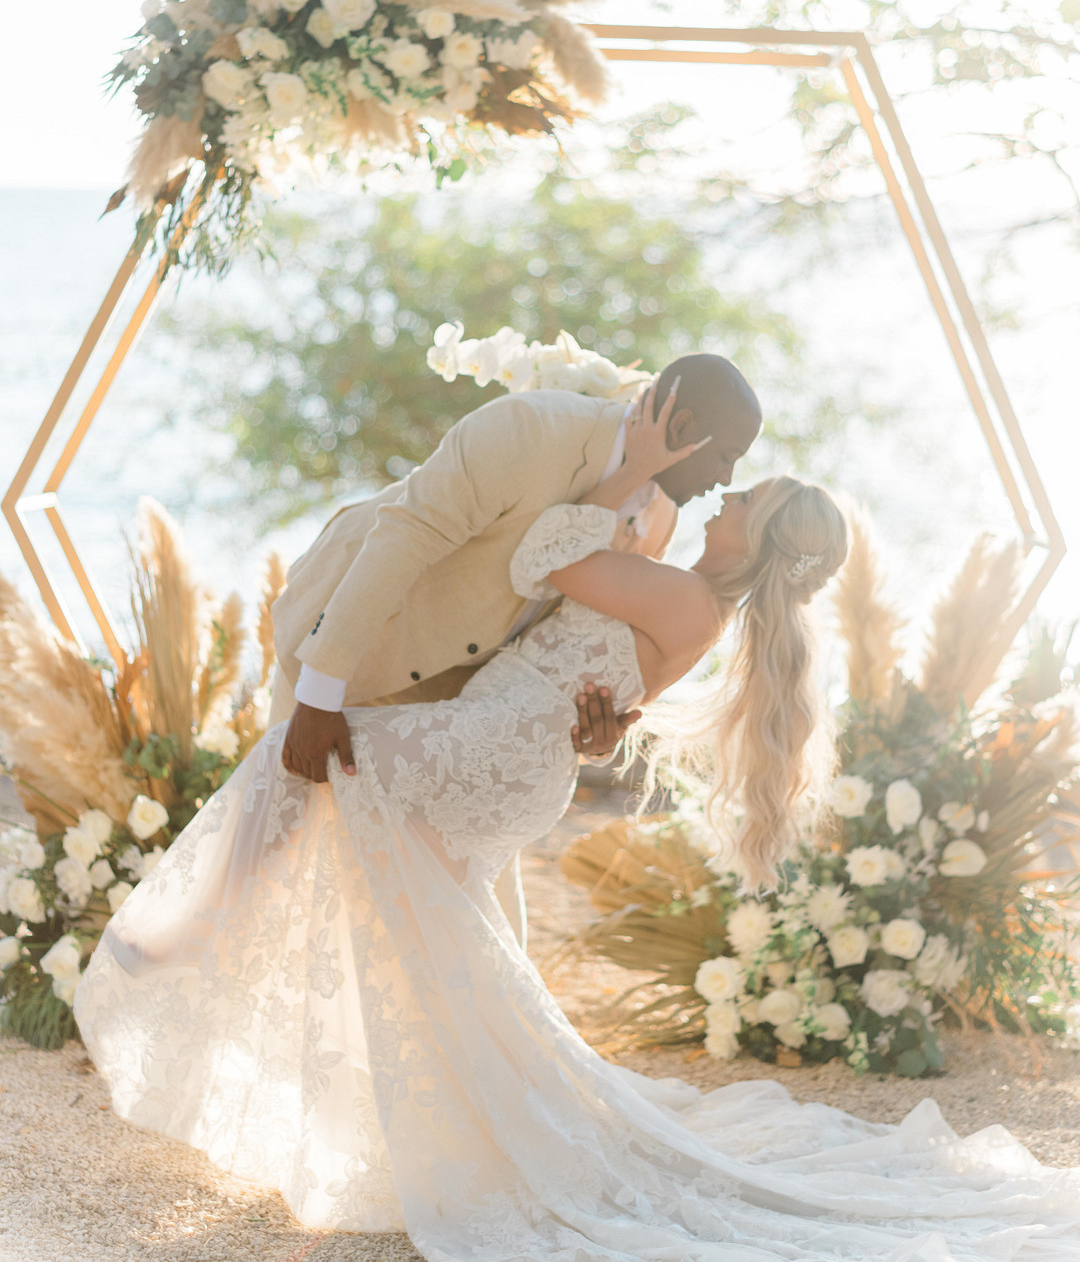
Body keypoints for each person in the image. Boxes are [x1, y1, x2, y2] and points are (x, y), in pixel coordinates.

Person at [74, 390, 1080, 1259]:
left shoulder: (685, 592)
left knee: (303, 757)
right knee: (421, 934)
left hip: (496, 749)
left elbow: (543, 553)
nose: (722, 497)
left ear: (758, 545)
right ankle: (430, 1126)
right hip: (508, 745)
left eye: (744, 502)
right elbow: (599, 678)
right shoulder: (692, 603)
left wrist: (632, 470)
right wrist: (614, 659)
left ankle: (191, 935)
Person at [270, 351, 763, 940]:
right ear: (683, 430)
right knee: (279, 855)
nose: (728, 479)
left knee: (447, 922)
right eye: (729, 456)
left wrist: (599, 729)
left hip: (462, 709)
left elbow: (576, 630)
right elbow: (406, 535)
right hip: (360, 642)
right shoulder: (529, 429)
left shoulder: (658, 519)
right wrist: (321, 694)